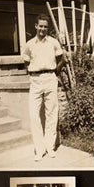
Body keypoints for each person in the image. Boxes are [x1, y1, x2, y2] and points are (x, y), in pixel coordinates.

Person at [22, 14, 66, 161]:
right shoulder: (29, 44)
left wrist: (54, 73)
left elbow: (62, 60)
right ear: (36, 26)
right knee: (34, 115)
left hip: (50, 78)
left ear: (48, 28)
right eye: (40, 26)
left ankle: (50, 147)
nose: (43, 29)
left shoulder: (53, 43)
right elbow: (26, 62)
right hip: (35, 80)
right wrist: (33, 72)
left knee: (52, 114)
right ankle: (39, 150)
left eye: (45, 26)